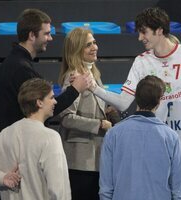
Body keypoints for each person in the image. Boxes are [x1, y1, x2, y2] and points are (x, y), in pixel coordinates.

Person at [91, 7, 181, 199]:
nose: (139, 38)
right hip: (160, 145)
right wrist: (94, 88)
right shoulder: (141, 62)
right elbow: (123, 102)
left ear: (160, 30)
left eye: (144, 32)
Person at [0, 8, 91, 137]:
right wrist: (75, 89)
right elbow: (45, 109)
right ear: (32, 35)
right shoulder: (21, 69)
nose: (50, 38)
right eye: (46, 34)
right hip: (13, 149)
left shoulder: (17, 62)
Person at [99, 75, 181, 200]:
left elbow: (106, 188)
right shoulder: (171, 137)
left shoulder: (113, 134)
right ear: (159, 101)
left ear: (136, 97)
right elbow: (179, 190)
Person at [0, 78, 71, 200]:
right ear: (39, 102)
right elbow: (59, 189)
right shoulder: (50, 138)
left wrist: (1, 178)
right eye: (51, 97)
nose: (55, 101)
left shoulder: (3, 135)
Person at [58, 27, 113, 200]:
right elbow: (66, 118)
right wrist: (99, 124)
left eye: (94, 42)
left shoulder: (93, 73)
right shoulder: (73, 76)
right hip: (79, 162)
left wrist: (107, 112)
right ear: (76, 49)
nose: (94, 47)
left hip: (95, 159)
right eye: (88, 45)